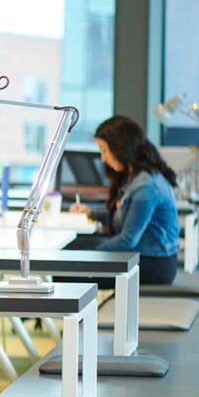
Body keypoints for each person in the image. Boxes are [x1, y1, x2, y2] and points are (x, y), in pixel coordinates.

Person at [70, 115, 181, 285]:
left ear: (120, 147)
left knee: (66, 274)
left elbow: (128, 240)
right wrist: (91, 213)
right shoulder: (134, 176)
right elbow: (127, 216)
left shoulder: (145, 186)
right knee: (73, 249)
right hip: (143, 255)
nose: (103, 158)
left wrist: (89, 255)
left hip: (154, 264)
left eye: (104, 150)